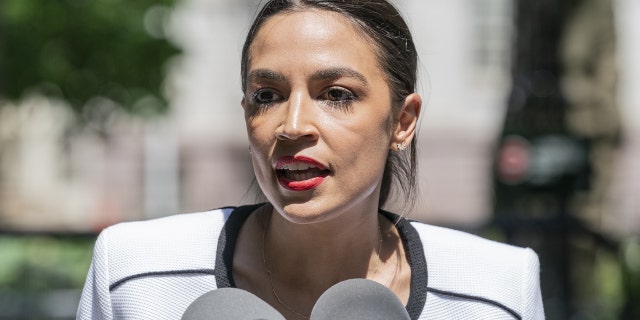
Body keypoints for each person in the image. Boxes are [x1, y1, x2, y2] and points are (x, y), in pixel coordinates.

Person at [77, 0, 545, 319]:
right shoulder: (133, 273)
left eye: (336, 94)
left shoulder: (496, 289)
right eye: (267, 94)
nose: (293, 124)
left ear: (402, 121)